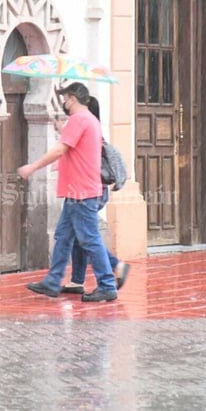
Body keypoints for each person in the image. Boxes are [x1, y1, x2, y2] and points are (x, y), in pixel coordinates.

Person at [18, 82, 118, 302]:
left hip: (81, 192)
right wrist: (62, 130)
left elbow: (60, 150)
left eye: (65, 98)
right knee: (63, 237)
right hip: (78, 191)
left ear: (72, 98)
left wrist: (32, 167)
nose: (64, 102)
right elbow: (74, 146)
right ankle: (52, 282)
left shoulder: (79, 119)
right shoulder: (88, 120)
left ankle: (107, 285)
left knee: (90, 240)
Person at [60, 96, 130, 295]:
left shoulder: (88, 129)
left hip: (86, 191)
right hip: (86, 190)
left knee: (86, 236)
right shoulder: (90, 128)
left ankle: (115, 268)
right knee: (78, 235)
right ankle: (77, 281)